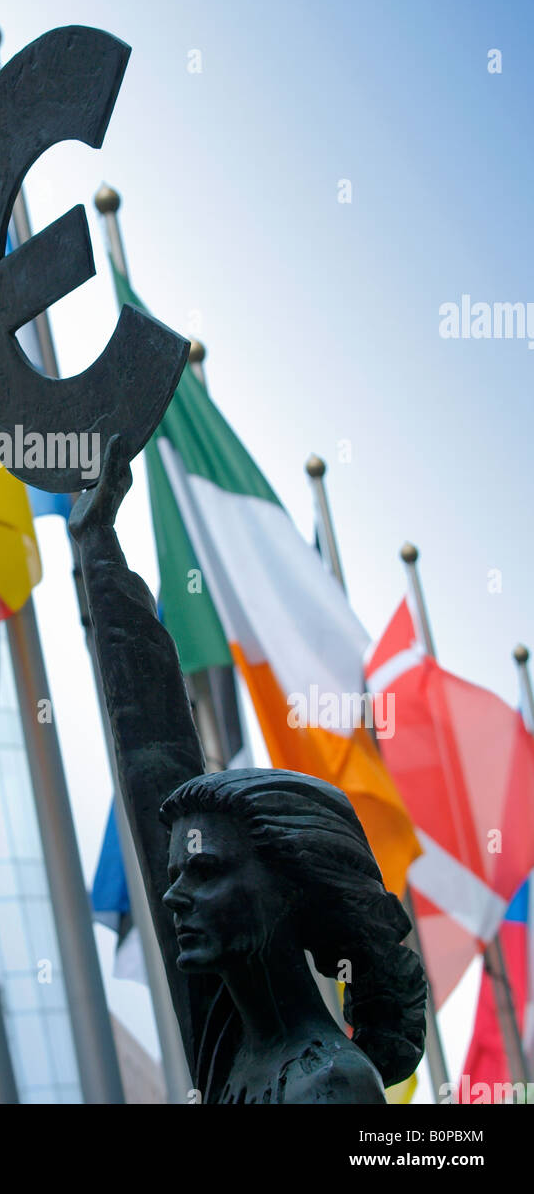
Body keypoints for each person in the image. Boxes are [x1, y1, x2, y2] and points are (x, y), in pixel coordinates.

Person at [70, 435, 426, 1103]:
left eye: (205, 872)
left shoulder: (329, 1084)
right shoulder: (231, 1048)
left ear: (290, 889)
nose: (173, 897)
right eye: (178, 873)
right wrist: (97, 550)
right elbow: (152, 756)